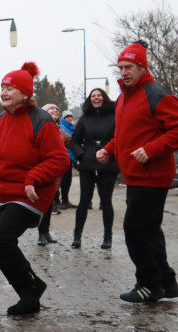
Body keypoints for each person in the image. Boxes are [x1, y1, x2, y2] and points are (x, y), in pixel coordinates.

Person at [97, 42, 178, 303]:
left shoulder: (156, 93)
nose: (124, 72)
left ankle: (148, 284)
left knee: (135, 230)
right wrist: (109, 149)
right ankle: (167, 282)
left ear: (142, 67)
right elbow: (125, 135)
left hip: (153, 175)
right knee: (149, 231)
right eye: (121, 67)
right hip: (135, 175)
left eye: (129, 67)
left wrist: (151, 150)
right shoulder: (124, 98)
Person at [0, 63, 69, 316]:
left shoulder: (42, 121)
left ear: (25, 94)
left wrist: (32, 178)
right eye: (3, 87)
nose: (4, 92)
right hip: (1, 194)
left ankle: (32, 288)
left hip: (30, 194)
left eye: (11, 88)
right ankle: (30, 294)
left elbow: (60, 160)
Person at [69, 89, 118, 249]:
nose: (96, 98)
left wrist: (111, 155)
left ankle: (108, 237)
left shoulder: (114, 116)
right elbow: (74, 141)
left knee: (106, 200)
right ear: (90, 100)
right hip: (87, 163)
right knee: (84, 200)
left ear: (104, 98)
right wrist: (81, 155)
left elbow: (120, 138)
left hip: (108, 162)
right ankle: (77, 236)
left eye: (99, 95)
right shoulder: (84, 118)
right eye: (93, 96)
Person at [35, 103, 67, 245]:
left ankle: (45, 231)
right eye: (51, 109)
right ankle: (41, 233)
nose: (55, 110)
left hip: (55, 175)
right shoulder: (40, 128)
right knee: (42, 205)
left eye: (56, 109)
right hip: (42, 172)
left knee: (50, 204)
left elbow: (73, 142)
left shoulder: (60, 131)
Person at [58, 111, 77, 209]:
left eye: (71, 116)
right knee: (59, 180)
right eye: (67, 117)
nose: (69, 118)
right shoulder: (61, 127)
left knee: (67, 181)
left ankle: (65, 200)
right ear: (63, 118)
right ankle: (56, 202)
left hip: (70, 159)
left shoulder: (73, 127)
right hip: (63, 157)